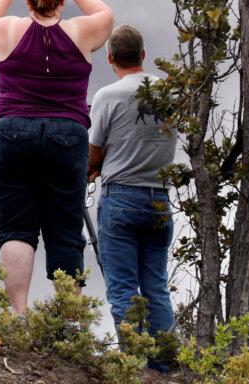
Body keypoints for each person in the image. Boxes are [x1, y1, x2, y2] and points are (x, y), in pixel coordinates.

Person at [0, 0, 113, 314]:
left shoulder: (8, 30)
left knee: (16, 225)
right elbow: (105, 14)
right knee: (66, 227)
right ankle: (67, 321)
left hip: (13, 131)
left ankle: (19, 315)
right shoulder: (82, 32)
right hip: (66, 135)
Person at [88, 24, 177, 368]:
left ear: (110, 58)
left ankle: (137, 369)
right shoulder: (169, 91)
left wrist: (93, 169)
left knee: (123, 288)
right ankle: (165, 366)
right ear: (143, 55)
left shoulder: (107, 97)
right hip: (159, 199)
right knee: (156, 287)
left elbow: (94, 156)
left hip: (120, 198)